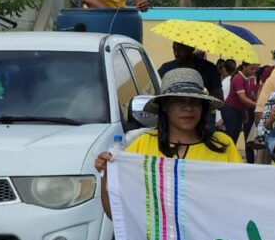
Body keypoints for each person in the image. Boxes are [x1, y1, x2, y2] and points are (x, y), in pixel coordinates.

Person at [93, 68, 241, 215]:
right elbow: (118, 213)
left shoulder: (223, 145)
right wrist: (107, 175)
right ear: (164, 106)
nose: (188, 108)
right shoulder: (142, 145)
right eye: (178, 101)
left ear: (203, 107)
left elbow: (240, 200)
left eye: (195, 101)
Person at [157, 42, 224, 103]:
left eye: (180, 49)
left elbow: (219, 99)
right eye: (174, 49)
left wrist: (204, 95)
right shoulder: (166, 69)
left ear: (191, 48)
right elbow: (154, 93)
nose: (176, 53)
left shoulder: (210, 69)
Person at [221, 61, 259, 163]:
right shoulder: (238, 78)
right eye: (251, 69)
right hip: (230, 110)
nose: (253, 71)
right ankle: (225, 159)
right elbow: (242, 98)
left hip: (238, 111)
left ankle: (228, 159)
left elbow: (244, 100)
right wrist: (259, 106)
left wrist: (244, 112)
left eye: (255, 69)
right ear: (244, 67)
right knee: (231, 137)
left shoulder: (247, 79)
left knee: (235, 136)